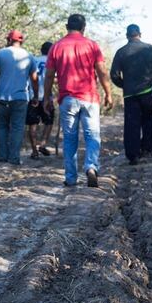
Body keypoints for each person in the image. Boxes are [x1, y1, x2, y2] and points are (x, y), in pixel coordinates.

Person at [41, 14, 113, 187]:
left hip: (68, 99)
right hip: (89, 99)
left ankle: (71, 178)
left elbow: (49, 75)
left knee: (70, 138)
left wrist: (47, 97)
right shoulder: (91, 45)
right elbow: (102, 71)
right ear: (84, 27)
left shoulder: (56, 47)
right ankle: (91, 167)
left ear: (67, 26)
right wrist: (108, 93)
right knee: (92, 135)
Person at [110, 24, 152, 165]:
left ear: (127, 35)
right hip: (148, 92)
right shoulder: (149, 48)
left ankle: (133, 155)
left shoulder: (121, 52)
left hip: (130, 95)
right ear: (140, 34)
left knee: (131, 124)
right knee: (148, 120)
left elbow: (114, 75)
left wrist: (124, 85)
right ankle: (147, 150)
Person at [0, 30, 38, 165]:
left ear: (9, 39)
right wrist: (35, 95)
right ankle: (14, 158)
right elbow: (34, 79)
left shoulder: (0, 53)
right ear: (21, 41)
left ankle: (2, 157)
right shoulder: (29, 56)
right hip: (20, 97)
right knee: (17, 128)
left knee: (2, 126)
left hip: (2, 96)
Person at [25, 41, 54, 158]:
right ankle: (42, 143)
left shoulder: (33, 60)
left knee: (32, 123)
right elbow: (53, 78)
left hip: (32, 96)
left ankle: (34, 151)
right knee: (49, 121)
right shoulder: (52, 61)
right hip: (46, 96)